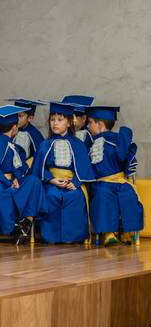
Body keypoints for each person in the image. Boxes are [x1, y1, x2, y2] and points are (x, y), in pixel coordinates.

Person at [0, 105, 47, 244]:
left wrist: (17, 178)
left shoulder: (9, 143)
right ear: (14, 128)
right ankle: (13, 228)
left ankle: (26, 221)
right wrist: (8, 182)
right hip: (0, 181)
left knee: (33, 181)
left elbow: (18, 165)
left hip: (12, 180)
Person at [32, 101, 95, 244]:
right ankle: (52, 237)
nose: (55, 123)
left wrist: (76, 183)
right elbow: (38, 168)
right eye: (52, 119)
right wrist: (51, 179)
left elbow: (84, 168)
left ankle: (72, 237)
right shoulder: (45, 145)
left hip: (72, 182)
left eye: (60, 120)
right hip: (52, 183)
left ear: (69, 122)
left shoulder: (78, 144)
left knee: (75, 196)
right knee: (51, 196)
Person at [86, 105, 143, 246]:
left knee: (128, 194)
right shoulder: (90, 143)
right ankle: (108, 233)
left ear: (100, 125)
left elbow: (124, 158)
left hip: (120, 180)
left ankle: (125, 230)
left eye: (90, 122)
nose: (88, 126)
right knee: (103, 194)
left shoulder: (118, 140)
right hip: (101, 182)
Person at [8, 98, 46, 165]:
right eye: (15, 115)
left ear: (30, 118)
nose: (16, 119)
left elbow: (40, 155)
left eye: (20, 116)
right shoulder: (10, 130)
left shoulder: (35, 134)